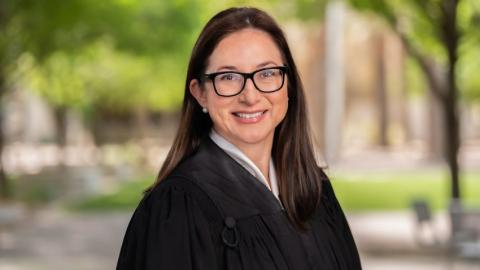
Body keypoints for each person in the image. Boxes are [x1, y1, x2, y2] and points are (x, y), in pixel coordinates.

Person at [117, 7, 362, 270]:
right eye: (229, 77)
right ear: (199, 93)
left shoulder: (313, 189)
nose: (250, 96)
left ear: (288, 84)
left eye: (267, 73)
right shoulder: (178, 207)